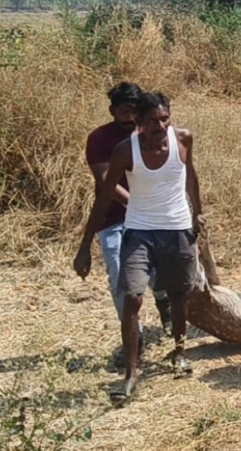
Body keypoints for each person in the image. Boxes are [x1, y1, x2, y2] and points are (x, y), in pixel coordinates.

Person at [74, 93, 203, 401]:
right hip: (139, 229)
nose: (159, 126)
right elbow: (104, 196)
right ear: (139, 122)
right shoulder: (124, 150)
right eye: (152, 121)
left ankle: (178, 352)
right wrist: (84, 245)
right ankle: (131, 374)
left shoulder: (183, 138)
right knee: (131, 296)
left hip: (176, 228)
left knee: (177, 294)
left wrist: (198, 212)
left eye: (164, 118)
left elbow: (191, 176)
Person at [85, 82, 171, 367]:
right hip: (114, 219)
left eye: (134, 113)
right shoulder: (99, 139)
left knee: (160, 271)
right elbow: (105, 181)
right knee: (120, 277)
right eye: (123, 112)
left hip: (153, 217)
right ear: (112, 111)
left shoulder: (153, 133)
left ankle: (165, 307)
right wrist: (136, 204)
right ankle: (134, 339)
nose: (129, 119)